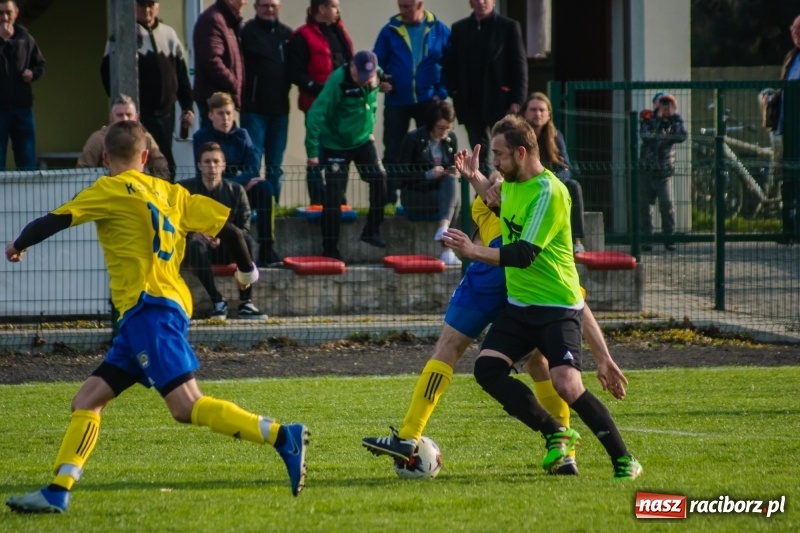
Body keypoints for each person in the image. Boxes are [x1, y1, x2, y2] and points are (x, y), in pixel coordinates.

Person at [4, 121, 308, 513]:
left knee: (185, 406)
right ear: (146, 157)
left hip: (149, 309)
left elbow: (55, 220)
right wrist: (248, 274)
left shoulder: (108, 188)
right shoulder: (173, 193)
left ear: (105, 159)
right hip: (151, 314)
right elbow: (232, 233)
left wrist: (17, 244)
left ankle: (284, 436)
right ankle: (57, 491)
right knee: (88, 399)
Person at [363, 185, 629, 478]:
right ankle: (566, 454)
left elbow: (574, 301)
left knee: (449, 348)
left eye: (501, 174)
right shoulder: (533, 209)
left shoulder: (517, 206)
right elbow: (577, 303)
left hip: (496, 267)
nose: (496, 187)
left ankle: (409, 435)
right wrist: (603, 356)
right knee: (536, 361)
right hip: (520, 272)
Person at [443, 115, 641, 479]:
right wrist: (475, 178)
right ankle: (555, 432)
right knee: (487, 370)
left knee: (567, 385)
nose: (496, 164)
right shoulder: (513, 184)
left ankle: (624, 459)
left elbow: (523, 253)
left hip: (556, 309)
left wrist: (473, 251)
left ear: (521, 153)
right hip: (520, 308)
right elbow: (503, 210)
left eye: (500, 156)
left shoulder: (550, 193)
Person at [304, 50, 388, 262]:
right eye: (359, 75)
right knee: (333, 197)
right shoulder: (337, 82)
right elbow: (315, 115)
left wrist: (370, 129)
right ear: (351, 67)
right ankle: (330, 248)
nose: (363, 80)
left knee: (379, 178)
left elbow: (374, 102)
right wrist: (312, 152)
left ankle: (372, 229)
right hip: (335, 144)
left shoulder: (375, 74)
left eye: (367, 77)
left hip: (361, 141)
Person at [101, 0, 194, 179]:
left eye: (151, 6)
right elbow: (106, 72)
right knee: (138, 158)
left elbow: (182, 75)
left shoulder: (169, 34)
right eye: (143, 6)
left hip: (166, 113)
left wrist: (187, 107)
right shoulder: (123, 34)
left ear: (157, 7)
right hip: (138, 114)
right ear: (135, 7)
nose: (147, 10)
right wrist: (121, 106)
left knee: (165, 160)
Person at [373, 0, 450, 204]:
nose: (403, 11)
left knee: (426, 150)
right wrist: (380, 81)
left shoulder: (439, 30)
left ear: (420, 4)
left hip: (428, 100)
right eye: (400, 6)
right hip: (397, 100)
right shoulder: (389, 30)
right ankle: (389, 197)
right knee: (392, 149)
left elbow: (450, 64)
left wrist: (441, 92)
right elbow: (376, 63)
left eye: (407, 6)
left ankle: (426, 197)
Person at [193, 92, 281, 267]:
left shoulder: (242, 135)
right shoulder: (201, 137)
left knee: (265, 188)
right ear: (211, 115)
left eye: (229, 113)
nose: (225, 118)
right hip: (214, 192)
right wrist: (238, 184)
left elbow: (253, 168)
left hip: (240, 191)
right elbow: (206, 171)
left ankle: (267, 248)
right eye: (220, 113)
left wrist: (236, 184)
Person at [179, 142, 265, 320]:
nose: (212, 166)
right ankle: (217, 301)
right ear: (199, 165)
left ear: (224, 165)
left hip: (227, 249)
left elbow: (245, 227)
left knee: (247, 241)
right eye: (207, 161)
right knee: (194, 246)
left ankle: (246, 302)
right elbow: (174, 223)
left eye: (216, 162)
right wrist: (193, 234)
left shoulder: (236, 190)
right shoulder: (184, 190)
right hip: (199, 250)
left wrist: (223, 237)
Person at [444, 0, 526, 177]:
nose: (481, 2)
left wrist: (517, 99)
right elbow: (451, 65)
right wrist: (455, 92)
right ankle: (484, 196)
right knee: (479, 151)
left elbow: (518, 65)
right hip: (470, 101)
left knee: (505, 148)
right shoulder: (459, 29)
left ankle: (506, 187)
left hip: (500, 100)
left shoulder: (508, 27)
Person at [288, 0, 353, 205]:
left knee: (340, 154)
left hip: (341, 108)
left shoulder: (340, 32)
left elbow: (350, 65)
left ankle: (337, 198)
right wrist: (323, 91)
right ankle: (317, 200)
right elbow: (295, 72)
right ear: (322, 9)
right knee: (316, 154)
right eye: (334, 6)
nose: (338, 10)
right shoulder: (302, 36)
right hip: (316, 106)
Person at [240, 0, 293, 204]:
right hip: (254, 111)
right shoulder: (246, 33)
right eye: (264, 5)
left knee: (274, 166)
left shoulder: (287, 35)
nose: (268, 9)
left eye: (273, 5)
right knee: (252, 165)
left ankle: (273, 210)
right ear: (255, 7)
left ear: (279, 7)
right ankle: (251, 210)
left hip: (280, 111)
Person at [396, 100, 461, 265]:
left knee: (453, 187)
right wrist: (427, 174)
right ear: (431, 125)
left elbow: (451, 165)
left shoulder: (450, 139)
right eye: (440, 128)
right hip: (415, 195)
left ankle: (443, 229)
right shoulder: (413, 139)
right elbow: (401, 174)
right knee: (454, 202)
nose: (444, 132)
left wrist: (453, 169)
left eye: (448, 127)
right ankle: (446, 248)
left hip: (440, 193)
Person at [522, 92, 586, 254]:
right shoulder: (518, 137)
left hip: (551, 184)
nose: (538, 113)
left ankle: (576, 241)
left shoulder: (556, 136)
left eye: (542, 110)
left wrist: (553, 181)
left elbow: (566, 167)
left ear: (549, 114)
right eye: (533, 109)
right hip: (526, 183)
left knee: (573, 186)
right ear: (525, 113)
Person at [77, 94, 170, 181]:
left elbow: (160, 168)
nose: (125, 119)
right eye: (120, 115)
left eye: (129, 115)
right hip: (106, 191)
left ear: (136, 117)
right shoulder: (99, 138)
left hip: (140, 190)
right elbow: (83, 171)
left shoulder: (146, 138)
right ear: (111, 118)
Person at [0, 0, 45, 170]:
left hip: (22, 108)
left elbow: (41, 65)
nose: (4, 17)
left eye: (8, 12)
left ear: (16, 13)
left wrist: (33, 74)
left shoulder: (26, 38)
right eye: (0, 13)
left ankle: (27, 196)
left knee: (26, 158)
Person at [639, 93, 687, 252]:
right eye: (662, 104)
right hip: (647, 172)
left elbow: (681, 136)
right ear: (655, 105)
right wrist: (658, 118)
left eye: (668, 104)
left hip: (664, 173)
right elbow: (646, 136)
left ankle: (669, 239)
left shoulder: (675, 122)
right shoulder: (647, 119)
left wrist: (673, 117)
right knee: (645, 208)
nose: (665, 107)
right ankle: (647, 240)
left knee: (667, 205)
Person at [193, 0, 246, 129]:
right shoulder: (214, 20)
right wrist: (234, 83)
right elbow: (211, 59)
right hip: (215, 101)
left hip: (222, 98)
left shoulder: (227, 20)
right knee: (213, 146)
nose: (245, 3)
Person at [772, 14, 800, 244]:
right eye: (795, 30)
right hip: (787, 129)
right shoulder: (791, 57)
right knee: (787, 180)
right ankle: (788, 230)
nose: (797, 34)